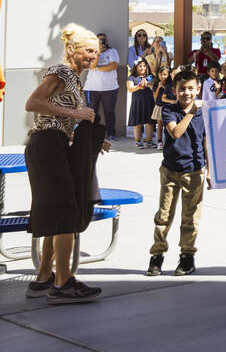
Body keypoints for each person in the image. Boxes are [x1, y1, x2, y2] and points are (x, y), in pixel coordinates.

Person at [22, 23, 109, 304]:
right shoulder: (61, 72)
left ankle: (44, 277)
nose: (92, 56)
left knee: (58, 213)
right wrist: (75, 113)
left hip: (54, 144)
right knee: (66, 212)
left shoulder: (74, 77)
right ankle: (62, 283)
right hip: (46, 144)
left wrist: (87, 132)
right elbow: (33, 103)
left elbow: (64, 117)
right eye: (88, 51)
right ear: (71, 49)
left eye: (96, 52)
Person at [146, 69, 208, 277]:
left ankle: (187, 256)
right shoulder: (169, 110)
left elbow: (207, 141)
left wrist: (211, 169)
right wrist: (191, 112)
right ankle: (157, 255)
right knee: (164, 215)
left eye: (191, 89)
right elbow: (175, 132)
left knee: (190, 217)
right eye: (182, 89)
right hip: (171, 170)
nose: (187, 93)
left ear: (198, 89)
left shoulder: (204, 111)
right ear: (175, 90)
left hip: (195, 170)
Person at [84, 31, 121, 140]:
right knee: (91, 112)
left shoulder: (113, 51)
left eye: (103, 39)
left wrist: (97, 69)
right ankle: (91, 135)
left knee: (109, 112)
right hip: (92, 88)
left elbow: (112, 66)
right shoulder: (91, 53)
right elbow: (91, 65)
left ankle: (111, 134)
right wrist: (98, 52)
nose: (101, 41)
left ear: (107, 41)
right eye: (98, 40)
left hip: (110, 88)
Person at [127, 60, 156, 148]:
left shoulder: (150, 76)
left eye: (144, 66)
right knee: (137, 122)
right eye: (140, 66)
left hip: (149, 100)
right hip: (137, 101)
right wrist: (140, 85)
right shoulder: (132, 77)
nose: (142, 68)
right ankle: (138, 141)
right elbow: (130, 89)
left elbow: (153, 85)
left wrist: (148, 84)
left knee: (149, 122)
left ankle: (149, 141)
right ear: (135, 67)